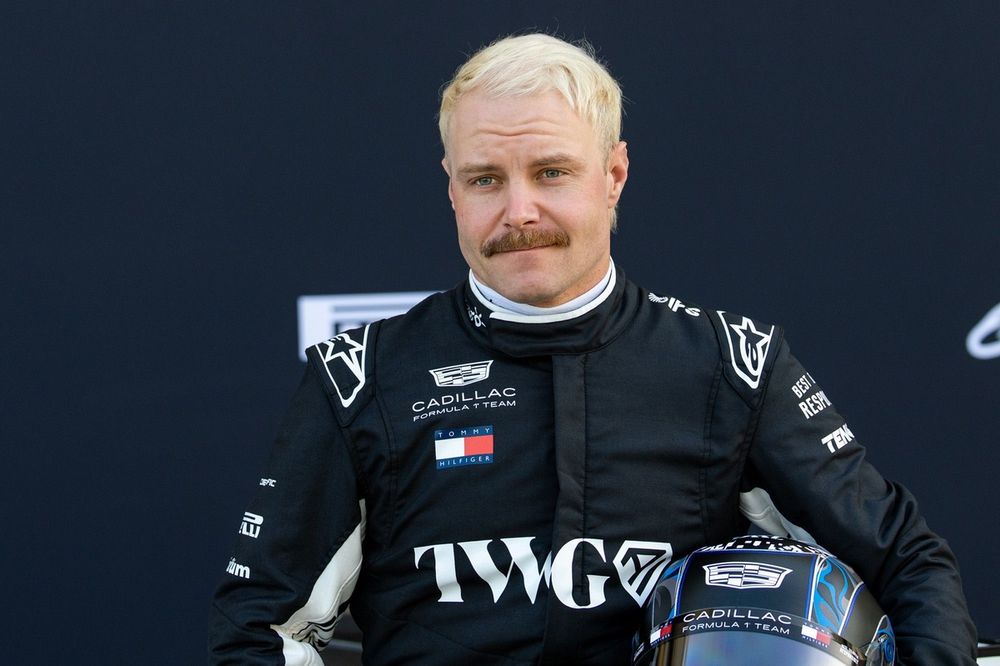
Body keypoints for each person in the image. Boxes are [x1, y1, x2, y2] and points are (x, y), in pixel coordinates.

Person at [209, 33, 977, 664]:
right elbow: (261, 630)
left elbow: (906, 563)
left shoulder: (729, 365)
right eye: (485, 180)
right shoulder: (361, 377)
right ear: (451, 189)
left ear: (614, 175)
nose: (519, 210)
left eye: (551, 173)